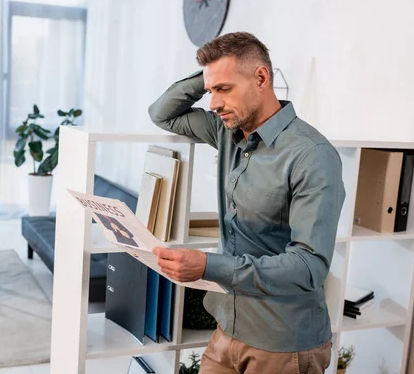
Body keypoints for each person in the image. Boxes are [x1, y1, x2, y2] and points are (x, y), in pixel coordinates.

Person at [148, 32, 345, 374]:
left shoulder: (312, 155)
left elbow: (309, 267)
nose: (213, 103)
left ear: (261, 78)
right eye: (211, 91)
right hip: (228, 329)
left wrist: (209, 267)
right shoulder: (227, 131)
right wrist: (211, 75)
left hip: (284, 345)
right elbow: (161, 113)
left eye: (224, 89)